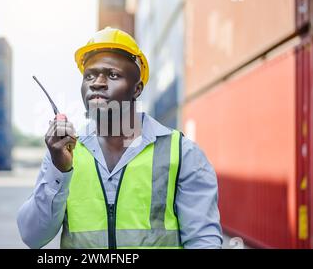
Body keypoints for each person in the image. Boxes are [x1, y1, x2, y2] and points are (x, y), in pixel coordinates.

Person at [17, 27, 223, 249]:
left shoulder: (182, 153)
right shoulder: (63, 153)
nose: (97, 82)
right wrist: (60, 172)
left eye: (113, 75)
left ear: (137, 89)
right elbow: (33, 236)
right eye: (90, 75)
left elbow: (204, 242)